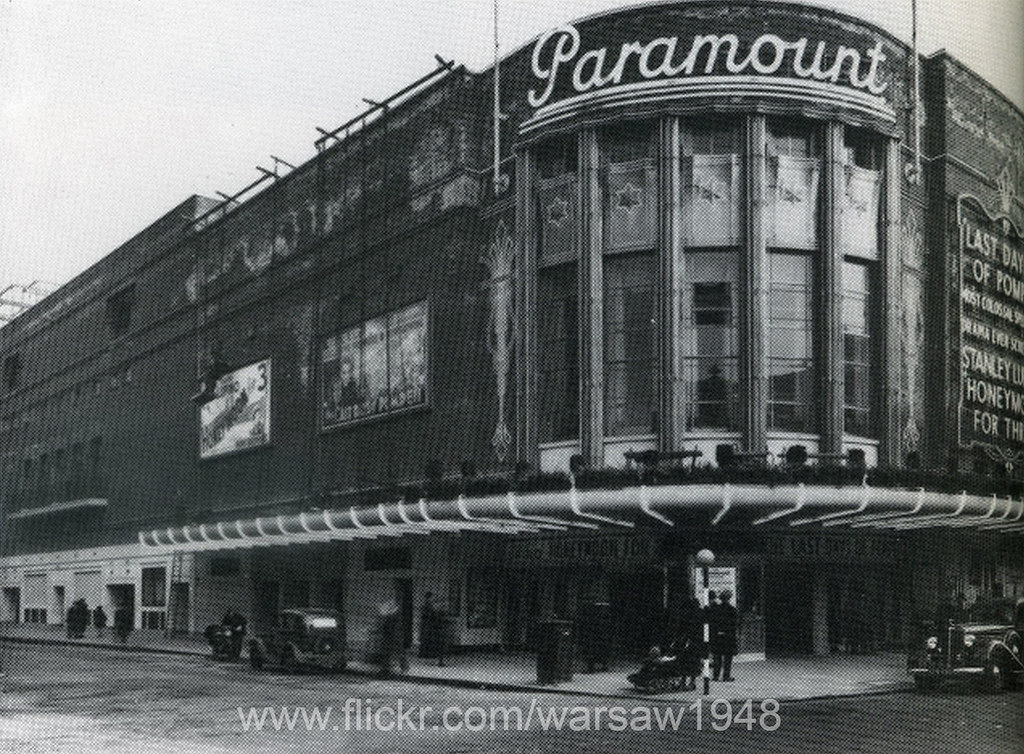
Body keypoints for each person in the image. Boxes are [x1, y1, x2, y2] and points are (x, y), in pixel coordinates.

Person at [377, 600, 408, 678]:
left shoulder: (393, 616)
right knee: (389, 653)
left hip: (393, 637)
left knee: (397, 652)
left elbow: (391, 628)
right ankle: (386, 668)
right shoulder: (393, 615)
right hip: (392, 637)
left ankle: (403, 667)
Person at [713, 589, 739, 682]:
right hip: (728, 636)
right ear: (729, 598)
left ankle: (716, 675)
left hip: (718, 635)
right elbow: (734, 624)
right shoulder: (732, 610)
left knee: (717, 656)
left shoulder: (716, 609)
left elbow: (713, 623)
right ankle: (726, 676)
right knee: (728, 657)